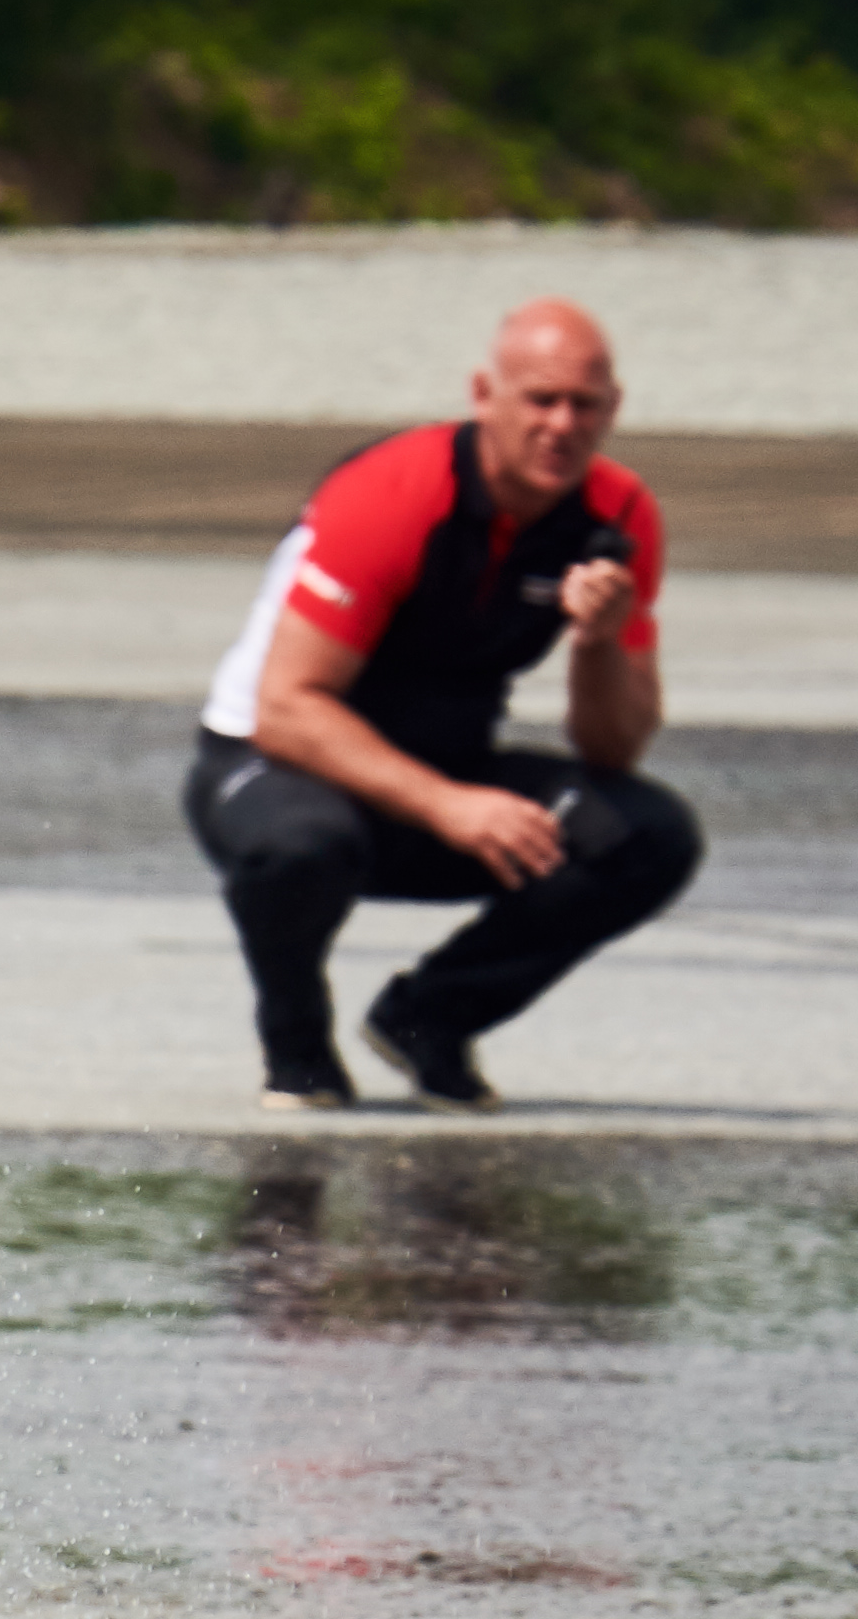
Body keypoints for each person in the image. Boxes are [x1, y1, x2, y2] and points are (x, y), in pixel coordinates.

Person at [178, 296, 703, 1108]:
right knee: (302, 847)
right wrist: (449, 805)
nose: (560, 425)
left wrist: (599, 639)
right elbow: (286, 707)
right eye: (539, 399)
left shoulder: (618, 514)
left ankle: (429, 1017)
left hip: (436, 771)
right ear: (483, 395)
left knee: (647, 834)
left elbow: (614, 751)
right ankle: (295, 1042)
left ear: (613, 409)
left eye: (583, 405)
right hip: (269, 764)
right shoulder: (393, 493)